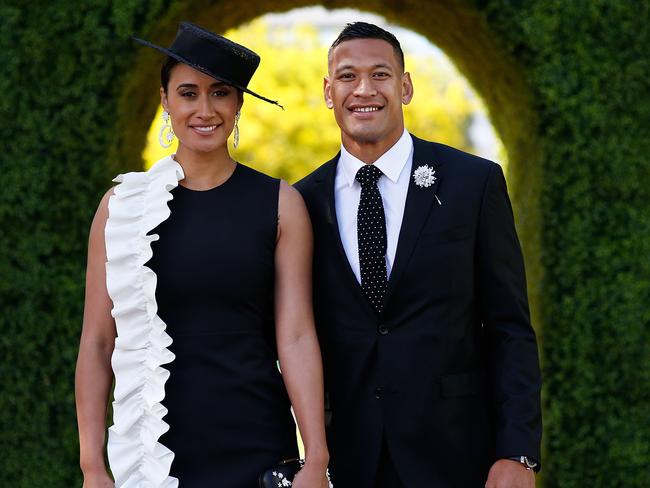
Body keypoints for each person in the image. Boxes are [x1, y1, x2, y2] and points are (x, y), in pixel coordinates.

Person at [75, 22, 329, 488]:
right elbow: (96, 342)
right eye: (188, 93)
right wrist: (93, 466)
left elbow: (295, 335)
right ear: (165, 101)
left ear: (238, 105)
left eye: (221, 93)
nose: (205, 110)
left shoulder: (280, 204)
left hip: (258, 444)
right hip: (155, 448)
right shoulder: (123, 208)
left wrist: (316, 457)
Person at [295, 22, 542, 488]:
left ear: (405, 86)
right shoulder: (301, 202)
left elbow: (510, 327)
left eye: (380, 74)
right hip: (348, 462)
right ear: (329, 92)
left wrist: (519, 452)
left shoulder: (474, 183)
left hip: (458, 456)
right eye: (347, 77)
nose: (363, 89)